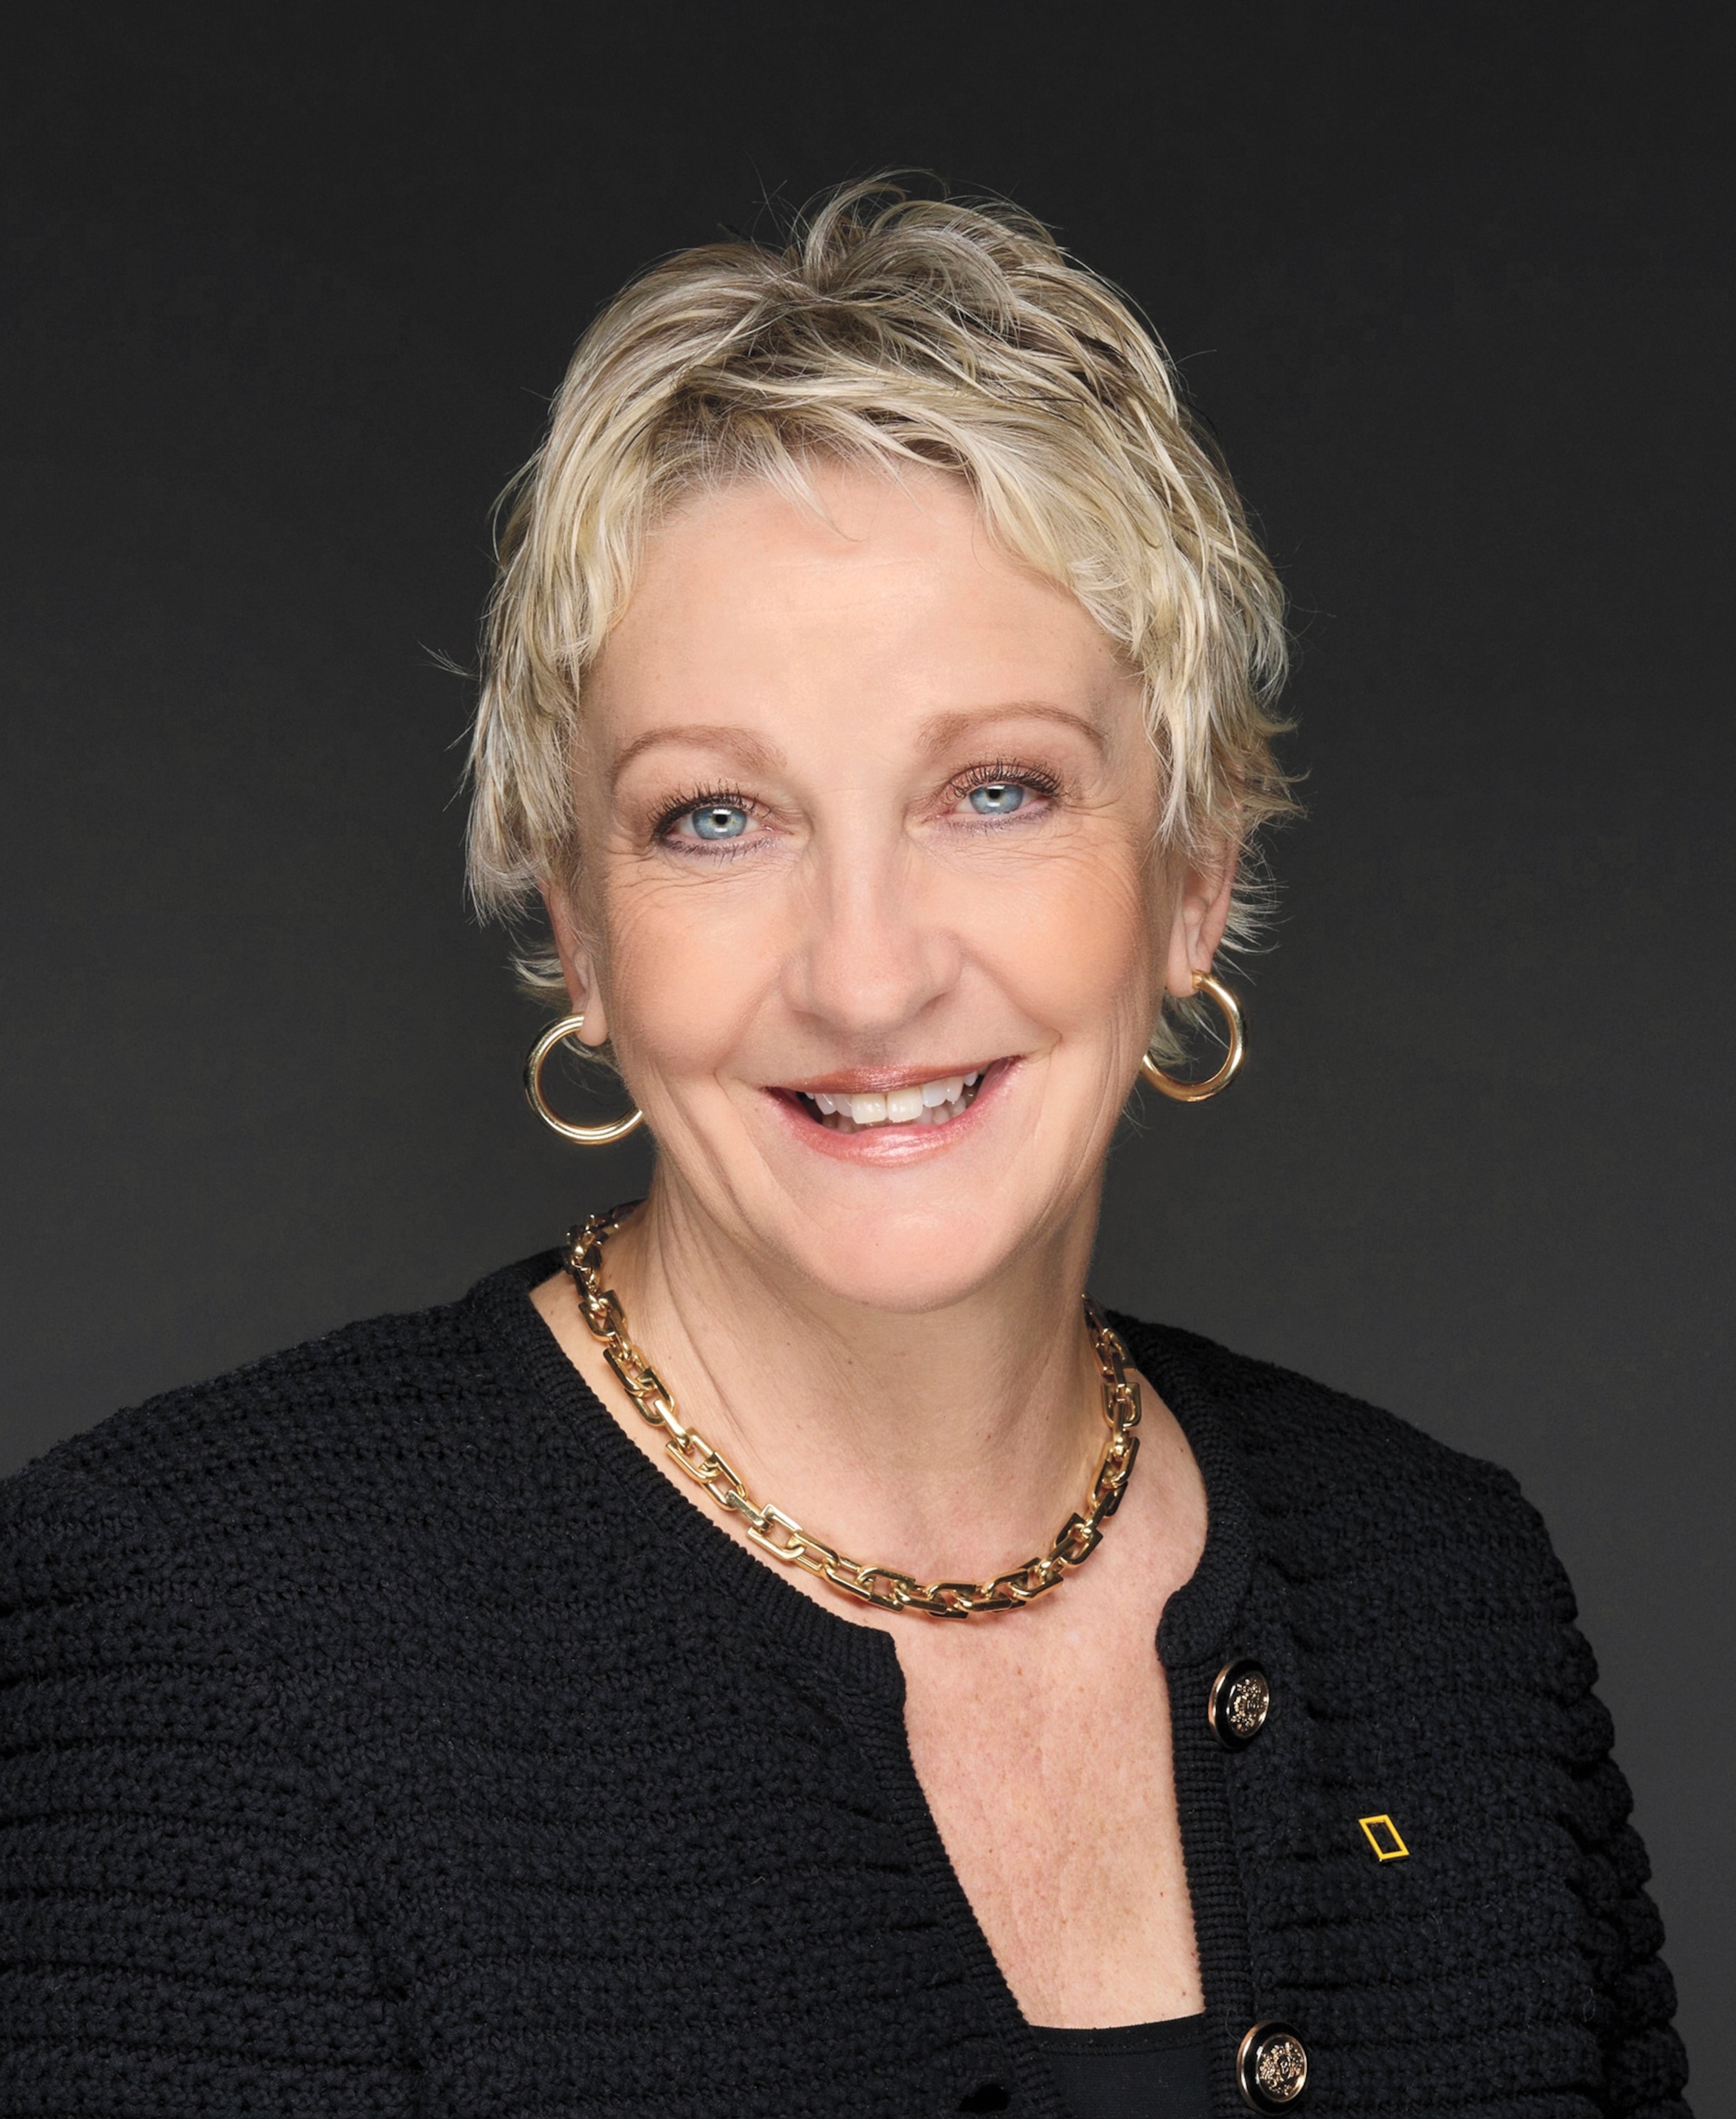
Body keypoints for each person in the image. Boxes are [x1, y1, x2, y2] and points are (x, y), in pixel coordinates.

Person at [0, 182, 1690, 2119]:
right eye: (717, 817)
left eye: (996, 790)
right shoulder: (204, 1627)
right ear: (574, 923)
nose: (869, 976)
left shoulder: (1447, 1594)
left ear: (1193, 880)